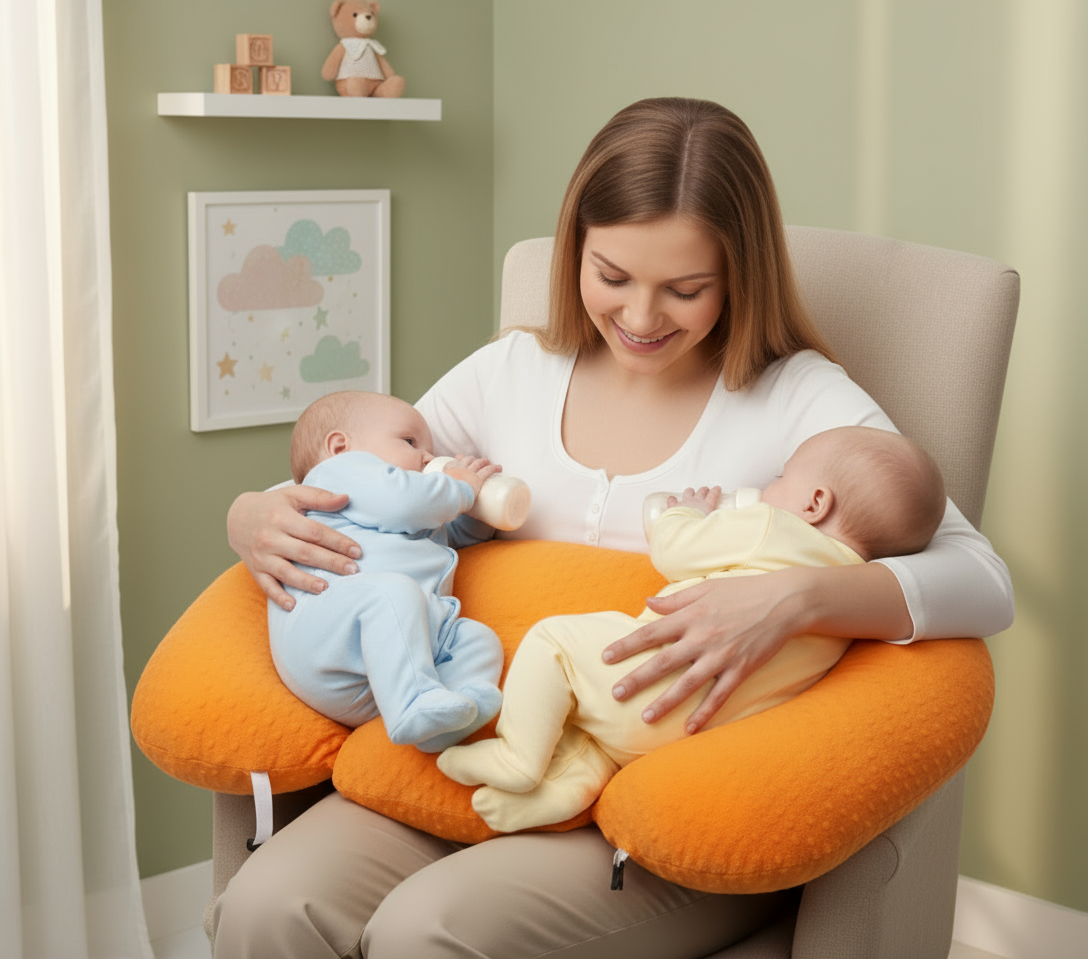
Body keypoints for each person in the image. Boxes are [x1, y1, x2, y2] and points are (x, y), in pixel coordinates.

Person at [217, 98, 1013, 958]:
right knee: (270, 905)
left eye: (686, 288)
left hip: (648, 797)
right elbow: (368, 481)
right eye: (612, 276)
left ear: (740, 274)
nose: (640, 317)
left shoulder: (796, 399)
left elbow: (983, 580)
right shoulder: (512, 372)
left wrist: (797, 599)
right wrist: (250, 513)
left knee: (429, 935)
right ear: (574, 253)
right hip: (475, 737)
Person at [437, 425, 946, 833]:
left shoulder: (772, 526)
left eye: (782, 476)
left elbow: (674, 552)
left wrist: (688, 513)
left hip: (644, 677)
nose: (770, 487)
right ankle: (573, 782)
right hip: (691, 732)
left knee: (555, 643)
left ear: (814, 504)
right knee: (598, 734)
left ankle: (519, 756)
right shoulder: (849, 610)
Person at [267, 390, 505, 750]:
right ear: (339, 446)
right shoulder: (338, 474)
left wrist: (477, 513)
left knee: (476, 638)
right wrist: (459, 488)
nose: (429, 457)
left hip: (385, 674)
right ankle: (415, 704)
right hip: (327, 641)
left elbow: (450, 534)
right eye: (409, 441)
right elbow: (404, 500)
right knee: (392, 592)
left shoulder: (408, 515)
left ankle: (450, 713)